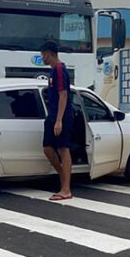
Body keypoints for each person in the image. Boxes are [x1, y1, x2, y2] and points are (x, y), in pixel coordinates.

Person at [40, 40, 74, 201]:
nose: (42, 58)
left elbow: (63, 95)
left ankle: (66, 189)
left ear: (49, 54)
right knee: (47, 148)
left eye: (43, 55)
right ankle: (63, 175)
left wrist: (59, 120)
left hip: (62, 115)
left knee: (63, 149)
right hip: (53, 114)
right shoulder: (54, 71)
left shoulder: (59, 70)